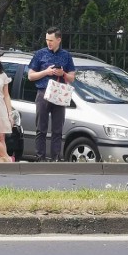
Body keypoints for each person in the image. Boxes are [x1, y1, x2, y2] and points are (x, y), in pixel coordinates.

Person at [27, 27, 75, 161]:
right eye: (47, 40)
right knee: (41, 128)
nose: (49, 43)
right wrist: (46, 72)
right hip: (43, 93)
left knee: (57, 129)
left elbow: (72, 77)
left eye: (51, 40)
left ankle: (55, 158)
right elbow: (30, 76)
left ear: (59, 40)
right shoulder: (40, 54)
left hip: (59, 93)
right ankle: (40, 157)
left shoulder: (66, 55)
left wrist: (63, 74)